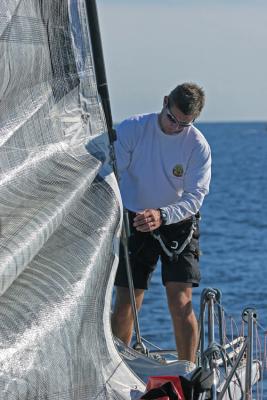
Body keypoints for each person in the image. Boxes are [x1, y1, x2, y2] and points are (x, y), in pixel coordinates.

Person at [111, 82, 211, 363]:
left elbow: (195, 197)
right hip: (136, 219)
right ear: (165, 101)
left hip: (178, 222)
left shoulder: (198, 146)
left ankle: (187, 372)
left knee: (181, 303)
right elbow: (111, 171)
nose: (174, 127)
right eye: (171, 118)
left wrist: (163, 214)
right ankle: (117, 367)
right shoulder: (133, 129)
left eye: (183, 124)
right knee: (126, 303)